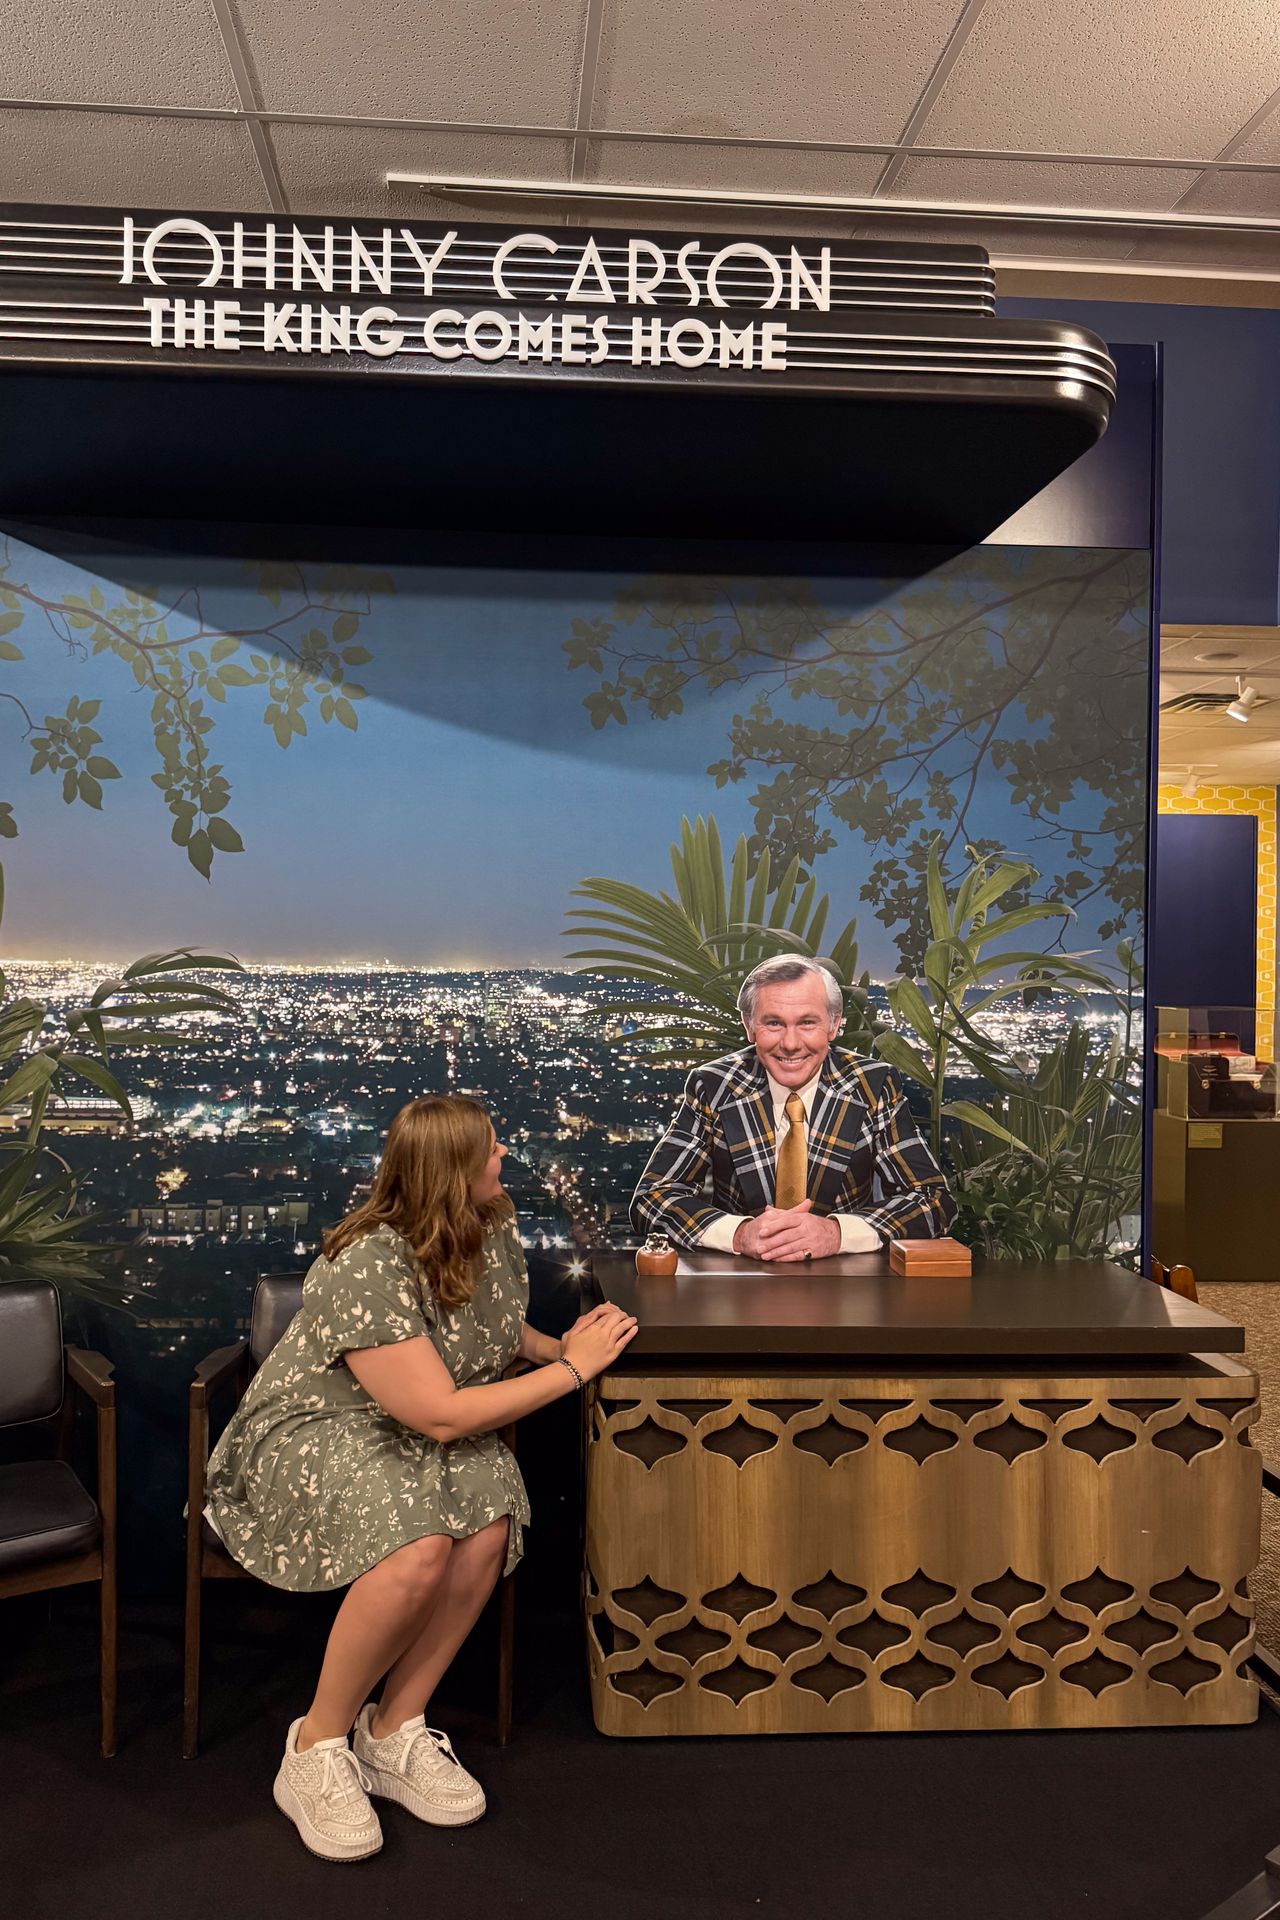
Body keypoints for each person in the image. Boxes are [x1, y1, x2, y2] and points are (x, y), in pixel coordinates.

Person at [205, 1094, 636, 1863]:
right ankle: (315, 1743)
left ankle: (393, 1728)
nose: (504, 1159)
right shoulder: (363, 1260)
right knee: (417, 1547)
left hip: (415, 1423)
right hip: (321, 1427)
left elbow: (494, 1326)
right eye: (492, 1151)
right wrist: (574, 1371)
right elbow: (436, 1414)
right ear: (453, 1171)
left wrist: (548, 1347)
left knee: (487, 1525)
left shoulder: (492, 1220)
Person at [631, 954, 955, 1259]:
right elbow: (653, 1198)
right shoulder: (712, 1085)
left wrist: (836, 1233)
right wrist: (740, 1234)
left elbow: (933, 1201)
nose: (790, 1043)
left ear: (834, 1024)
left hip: (847, 1285)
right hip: (739, 1284)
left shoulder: (873, 1085)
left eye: (807, 1023)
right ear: (749, 1025)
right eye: (773, 1023)